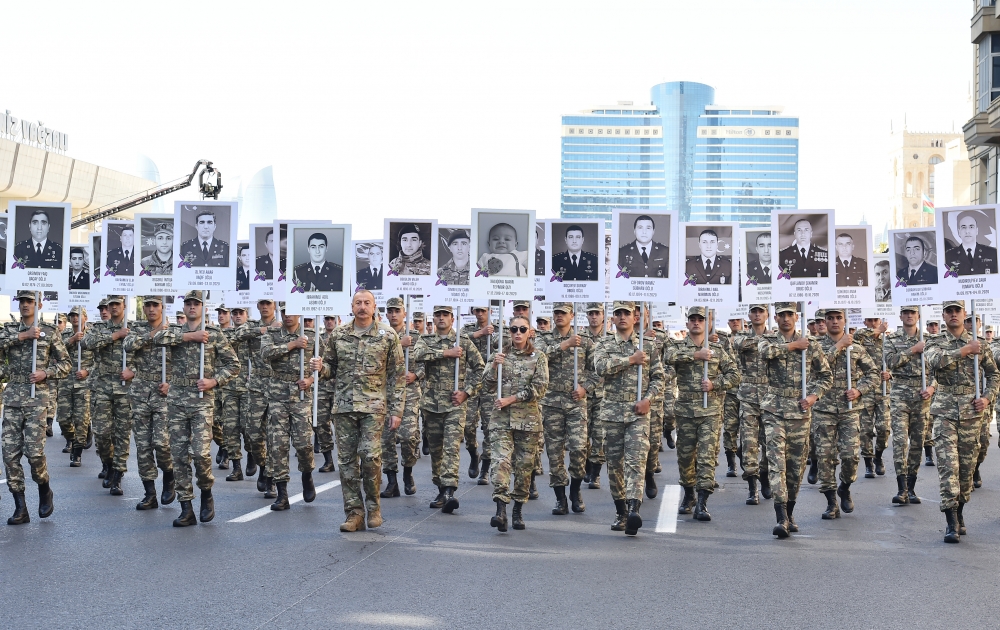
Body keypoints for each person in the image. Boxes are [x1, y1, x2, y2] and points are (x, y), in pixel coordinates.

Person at [311, 289, 404, 532]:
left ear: (374, 308)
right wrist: (320, 368)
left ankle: (373, 506)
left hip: (374, 407)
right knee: (347, 462)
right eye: (358, 303)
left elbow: (397, 376)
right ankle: (354, 513)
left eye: (367, 303)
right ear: (352, 307)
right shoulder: (339, 334)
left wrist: (397, 410)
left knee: (371, 457)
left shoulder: (387, 335)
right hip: (344, 407)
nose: (362, 307)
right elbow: (330, 367)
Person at [151, 291, 238, 527]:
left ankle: (206, 491)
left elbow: (234, 365)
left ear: (203, 307)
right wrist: (191, 337)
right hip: (177, 397)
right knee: (178, 455)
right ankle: (186, 505)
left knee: (200, 452)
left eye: (196, 304)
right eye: (188, 304)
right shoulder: (175, 331)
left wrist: (214, 381)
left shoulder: (215, 334)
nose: (192, 307)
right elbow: (158, 340)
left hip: (202, 399)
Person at [925, 300, 1000, 542]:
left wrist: (988, 398)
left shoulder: (981, 344)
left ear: (965, 314)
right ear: (944, 316)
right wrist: (965, 351)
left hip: (972, 413)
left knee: (967, 470)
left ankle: (960, 511)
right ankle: (951, 521)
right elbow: (935, 361)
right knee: (949, 468)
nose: (954, 315)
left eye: (958, 311)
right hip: (944, 413)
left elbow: (994, 374)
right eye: (949, 311)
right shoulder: (935, 341)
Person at [758, 302, 833, 539]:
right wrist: (793, 346)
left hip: (800, 411)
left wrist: (813, 396)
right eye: (781, 315)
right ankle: (780, 517)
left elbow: (825, 376)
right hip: (774, 408)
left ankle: (790, 512)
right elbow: (764, 353)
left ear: (796, 316)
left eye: (790, 314)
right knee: (776, 462)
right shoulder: (769, 340)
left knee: (795, 466)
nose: (786, 319)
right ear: (776, 318)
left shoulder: (810, 345)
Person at [593, 301, 665, 536]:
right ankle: (620, 511)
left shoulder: (648, 346)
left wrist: (648, 399)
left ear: (636, 318)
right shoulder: (604, 343)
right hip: (612, 412)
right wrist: (629, 361)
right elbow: (600, 367)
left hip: (638, 413)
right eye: (618, 314)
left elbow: (658, 378)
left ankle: (634, 509)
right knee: (615, 465)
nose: (622, 317)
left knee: (636, 461)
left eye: (627, 313)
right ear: (612, 319)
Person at [0, 291, 71, 525]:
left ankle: (44, 489)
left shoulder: (50, 332)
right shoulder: (10, 330)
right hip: (12, 398)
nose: (25, 305)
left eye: (30, 301)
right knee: (10, 455)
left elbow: (66, 364)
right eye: (22, 302)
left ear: (38, 304)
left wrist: (46, 373)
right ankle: (20, 507)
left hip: (37, 399)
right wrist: (23, 336)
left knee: (34, 453)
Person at [664, 306, 740, 521]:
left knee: (707, 457)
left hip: (710, 411)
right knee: (686, 458)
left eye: (701, 319)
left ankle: (703, 502)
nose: (696, 322)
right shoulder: (676, 346)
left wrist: (715, 384)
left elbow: (735, 375)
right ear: (687, 323)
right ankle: (689, 495)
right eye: (693, 319)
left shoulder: (717, 350)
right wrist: (696, 355)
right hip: (685, 411)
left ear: (707, 324)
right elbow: (668, 357)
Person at [412, 305, 485, 513]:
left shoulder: (462, 342)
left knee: (451, 447)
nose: (441, 318)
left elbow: (480, 368)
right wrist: (446, 353)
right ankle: (440, 487)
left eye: (445, 315)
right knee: (436, 451)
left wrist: (467, 392)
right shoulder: (425, 341)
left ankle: (449, 491)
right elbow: (418, 356)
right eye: (438, 315)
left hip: (455, 404)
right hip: (431, 405)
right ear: (433, 319)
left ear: (452, 318)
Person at [812, 308, 879, 520]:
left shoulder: (856, 348)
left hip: (849, 410)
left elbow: (874, 374)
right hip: (824, 409)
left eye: (838, 317)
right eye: (830, 318)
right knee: (825, 457)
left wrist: (859, 390)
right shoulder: (815, 346)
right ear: (824, 321)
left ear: (844, 320)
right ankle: (831, 501)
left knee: (850, 456)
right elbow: (814, 368)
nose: (834, 322)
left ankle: (844, 485)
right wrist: (839, 346)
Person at [484, 315, 548, 531]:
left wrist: (512, 398)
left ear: (529, 332)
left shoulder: (538, 357)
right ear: (508, 332)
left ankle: (518, 509)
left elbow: (540, 388)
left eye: (522, 329)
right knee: (500, 462)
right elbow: (487, 385)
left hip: (528, 421)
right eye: (513, 329)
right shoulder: (499, 355)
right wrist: (495, 365)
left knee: (524, 468)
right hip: (501, 420)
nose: (518, 333)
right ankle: (500, 510)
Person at [537, 303, 598, 515]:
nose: (559, 316)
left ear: (572, 315)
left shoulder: (585, 341)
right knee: (554, 453)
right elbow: (538, 357)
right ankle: (560, 497)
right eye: (556, 313)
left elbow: (597, 370)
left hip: (576, 402)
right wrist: (564, 345)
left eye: (563, 313)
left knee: (579, 448)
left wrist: (585, 388)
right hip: (551, 402)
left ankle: (575, 490)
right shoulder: (543, 338)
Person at [259, 303, 316, 511]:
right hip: (277, 394)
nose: (288, 315)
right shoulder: (272, 333)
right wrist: (292, 345)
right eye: (284, 311)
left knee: (303, 443)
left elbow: (326, 365)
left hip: (301, 396)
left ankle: (307, 474)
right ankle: (282, 494)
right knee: (278, 445)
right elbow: (265, 354)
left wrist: (311, 379)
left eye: (292, 311)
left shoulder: (312, 335)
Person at [122, 296, 175, 510]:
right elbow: (128, 345)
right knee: (143, 446)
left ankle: (169, 474)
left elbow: (183, 363)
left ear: (163, 307)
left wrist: (171, 383)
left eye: (156, 305)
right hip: (141, 392)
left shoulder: (175, 330)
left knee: (161, 444)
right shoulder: (136, 328)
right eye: (148, 305)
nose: (151, 309)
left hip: (164, 393)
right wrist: (155, 334)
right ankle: (150, 492)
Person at [83, 295, 135, 494]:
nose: (112, 308)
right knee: (103, 433)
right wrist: (115, 336)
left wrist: (134, 371)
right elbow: (87, 343)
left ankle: (118, 475)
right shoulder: (98, 328)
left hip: (125, 388)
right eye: (109, 305)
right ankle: (108, 462)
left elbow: (148, 356)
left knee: (122, 434)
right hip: (103, 386)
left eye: (116, 304)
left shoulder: (134, 328)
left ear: (124, 305)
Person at [884, 305, 934, 505]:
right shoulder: (893, 340)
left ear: (918, 315)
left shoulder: (929, 341)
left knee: (917, 443)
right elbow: (890, 361)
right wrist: (913, 350)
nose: (909, 316)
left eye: (913, 313)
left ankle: (911, 487)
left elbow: (938, 370)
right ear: (901, 315)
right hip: (900, 395)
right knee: (899, 442)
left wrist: (932, 388)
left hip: (922, 396)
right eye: (906, 312)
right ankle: (901, 488)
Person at [232, 298, 280, 496]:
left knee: (275, 435)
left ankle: (271, 477)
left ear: (274, 306)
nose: (265, 307)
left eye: (269, 303)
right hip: (257, 385)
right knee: (252, 432)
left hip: (278, 385)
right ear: (258, 307)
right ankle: (262, 464)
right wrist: (260, 331)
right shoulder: (251, 326)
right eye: (262, 304)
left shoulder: (283, 325)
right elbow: (235, 336)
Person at [380, 297, 423, 497]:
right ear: (386, 314)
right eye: (391, 311)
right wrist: (398, 343)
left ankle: (408, 471)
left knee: (408, 437)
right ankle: (391, 480)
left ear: (404, 313)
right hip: (385, 393)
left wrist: (415, 374)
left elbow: (426, 362)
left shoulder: (416, 337)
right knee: (386, 440)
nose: (394, 314)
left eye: (398, 310)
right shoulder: (380, 334)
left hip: (409, 393)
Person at [733, 304, 772, 504]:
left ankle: (764, 473)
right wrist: (767, 341)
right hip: (748, 396)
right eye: (754, 311)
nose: (757, 314)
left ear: (767, 314)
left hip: (770, 397)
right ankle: (752, 485)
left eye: (761, 311)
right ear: (749, 315)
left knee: (769, 442)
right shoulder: (742, 335)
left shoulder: (775, 336)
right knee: (749, 443)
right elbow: (739, 345)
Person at [855, 318, 891, 479]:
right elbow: (857, 335)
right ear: (865, 322)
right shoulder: (861, 339)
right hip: (865, 389)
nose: (873, 323)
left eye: (876, 320)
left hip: (883, 391)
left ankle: (878, 455)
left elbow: (895, 362)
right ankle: (868, 461)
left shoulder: (888, 342)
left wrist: (890, 373)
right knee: (865, 430)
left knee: (884, 428)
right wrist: (878, 330)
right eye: (870, 321)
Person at [220, 305, 252, 481]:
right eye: (235, 313)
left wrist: (255, 331)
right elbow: (229, 340)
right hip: (230, 387)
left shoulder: (255, 331)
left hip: (249, 388)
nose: (238, 316)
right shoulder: (226, 334)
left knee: (249, 428)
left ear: (247, 314)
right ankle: (236, 466)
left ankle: (253, 456)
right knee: (230, 429)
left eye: (241, 313)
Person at [62, 306, 94, 467]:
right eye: (72, 315)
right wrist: (72, 340)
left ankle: (77, 453)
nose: (75, 318)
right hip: (66, 381)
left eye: (78, 315)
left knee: (81, 420)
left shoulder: (92, 335)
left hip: (84, 383)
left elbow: (101, 360)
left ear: (85, 317)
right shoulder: (64, 335)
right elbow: (55, 351)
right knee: (63, 419)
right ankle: (73, 438)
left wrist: (87, 371)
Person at [582, 303, 608, 488]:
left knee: (599, 434)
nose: (593, 317)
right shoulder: (580, 338)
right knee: (582, 436)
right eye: (590, 313)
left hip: (603, 394)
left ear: (603, 315)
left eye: (597, 313)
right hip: (583, 393)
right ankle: (586, 464)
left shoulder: (610, 339)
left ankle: (595, 474)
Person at [314, 315, 339, 475]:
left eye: (332, 319)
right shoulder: (318, 339)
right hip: (322, 387)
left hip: (339, 388)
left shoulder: (342, 337)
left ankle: (351, 460)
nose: (330, 322)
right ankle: (328, 459)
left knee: (343, 427)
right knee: (322, 423)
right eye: (327, 319)